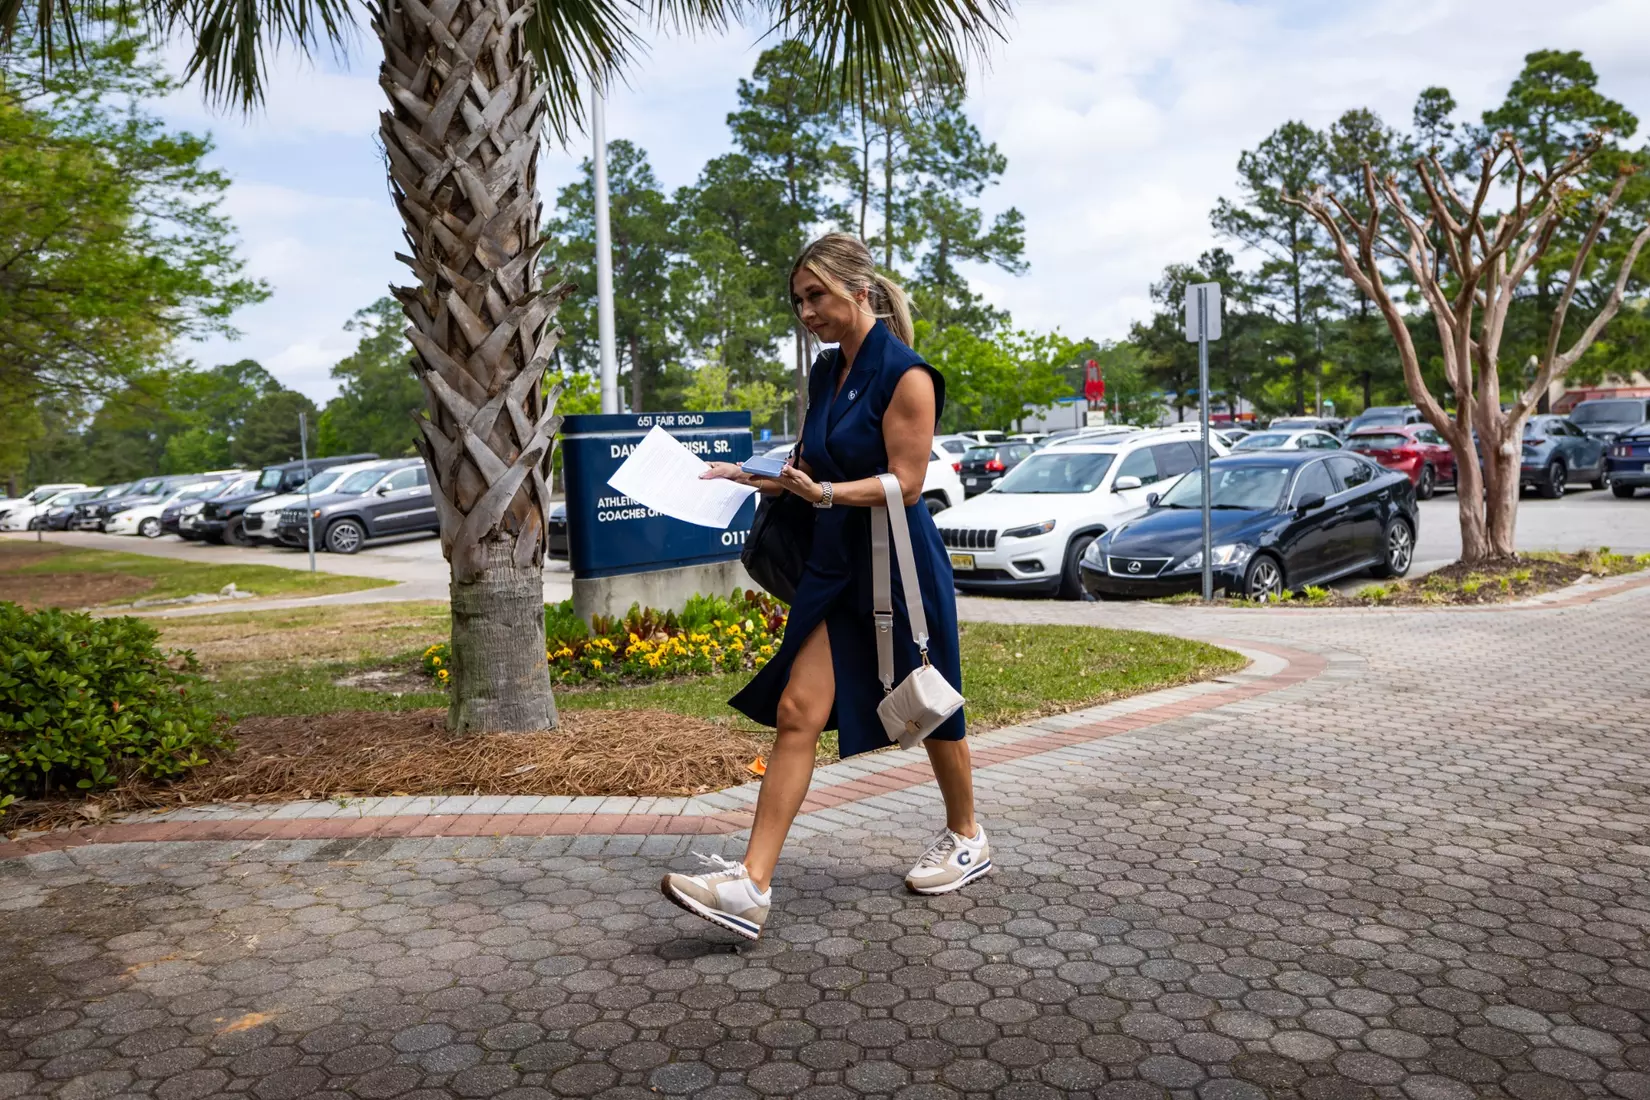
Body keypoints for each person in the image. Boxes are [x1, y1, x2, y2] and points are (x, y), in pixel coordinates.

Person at [660, 233, 987, 941]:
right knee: (796, 710)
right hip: (836, 561)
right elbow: (810, 463)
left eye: (817, 296)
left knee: (930, 703)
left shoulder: (907, 375)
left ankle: (966, 833)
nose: (806, 311)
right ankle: (750, 887)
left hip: (897, 562)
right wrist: (751, 476)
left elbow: (907, 481)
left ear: (858, 291)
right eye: (798, 300)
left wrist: (830, 491)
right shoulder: (825, 374)